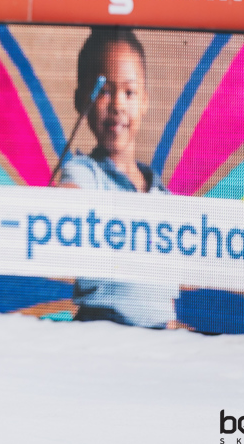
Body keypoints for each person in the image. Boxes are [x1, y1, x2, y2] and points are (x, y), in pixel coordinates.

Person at [58, 28, 181, 329]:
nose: (117, 105)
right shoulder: (84, 173)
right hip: (101, 330)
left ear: (145, 101)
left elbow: (166, 304)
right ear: (81, 100)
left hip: (155, 340)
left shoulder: (164, 199)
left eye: (129, 92)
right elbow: (63, 205)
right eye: (104, 91)